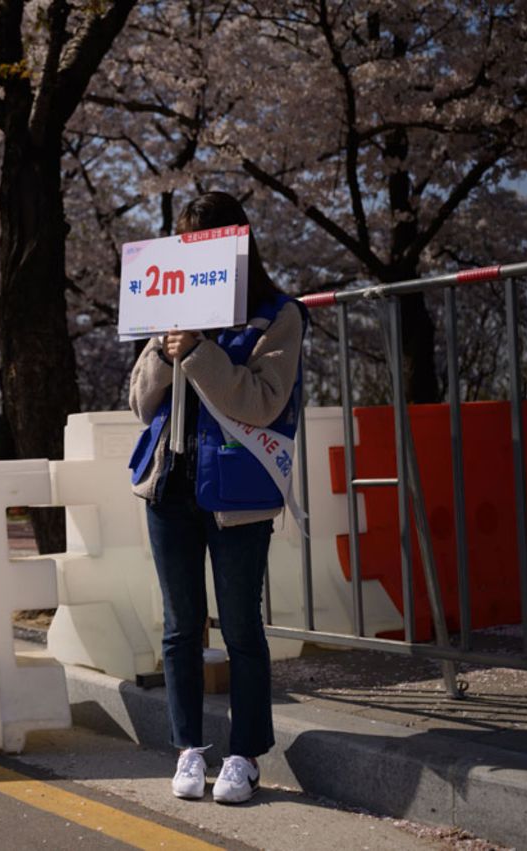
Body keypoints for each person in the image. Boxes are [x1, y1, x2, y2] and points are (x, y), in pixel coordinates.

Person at [127, 192, 307, 804]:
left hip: (237, 489)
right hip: (169, 481)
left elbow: (260, 401)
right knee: (180, 627)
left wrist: (201, 350)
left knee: (239, 627)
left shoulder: (277, 316)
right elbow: (139, 404)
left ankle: (245, 755)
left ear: (238, 242)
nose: (194, 252)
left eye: (205, 241)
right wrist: (162, 344)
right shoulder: (170, 309)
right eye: (186, 242)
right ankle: (188, 750)